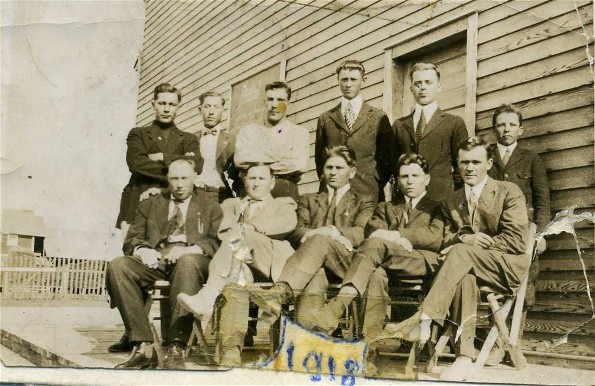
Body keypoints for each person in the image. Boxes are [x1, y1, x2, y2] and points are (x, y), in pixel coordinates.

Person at [378, 137, 529, 381]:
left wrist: (471, 244)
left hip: (506, 267)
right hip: (466, 269)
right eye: (464, 162)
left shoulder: (508, 191)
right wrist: (465, 240)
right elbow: (447, 239)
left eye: (476, 162)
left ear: (489, 163)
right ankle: (464, 358)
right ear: (457, 165)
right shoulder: (452, 200)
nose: (470, 168)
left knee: (460, 254)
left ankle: (422, 318)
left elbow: (516, 241)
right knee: (464, 276)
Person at [305, 153, 444, 374]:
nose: (409, 181)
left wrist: (396, 236)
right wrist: (389, 240)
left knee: (376, 244)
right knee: (375, 275)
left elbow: (434, 237)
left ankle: (339, 304)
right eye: (404, 176)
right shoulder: (387, 207)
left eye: (415, 175)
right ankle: (368, 351)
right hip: (384, 264)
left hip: (419, 263)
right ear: (398, 180)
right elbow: (371, 231)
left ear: (426, 179)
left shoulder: (437, 207)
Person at [106, 158, 222, 369]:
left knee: (187, 263)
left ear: (194, 177)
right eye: (174, 178)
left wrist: (189, 249)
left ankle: (176, 347)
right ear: (167, 179)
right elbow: (132, 239)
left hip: (192, 260)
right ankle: (144, 345)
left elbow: (216, 241)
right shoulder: (150, 203)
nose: (179, 184)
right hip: (156, 262)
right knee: (118, 266)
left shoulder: (210, 206)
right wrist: (143, 250)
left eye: (184, 178)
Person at [177, 163, 297, 366]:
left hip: (267, 260)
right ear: (244, 181)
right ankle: (230, 352)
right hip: (239, 261)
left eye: (261, 178)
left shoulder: (283, 203)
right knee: (235, 280)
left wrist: (250, 227)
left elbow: (287, 224)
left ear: (272, 182)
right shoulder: (232, 204)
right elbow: (222, 231)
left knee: (240, 233)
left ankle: (208, 295)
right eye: (252, 178)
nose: (256, 183)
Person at [250, 146, 375, 328]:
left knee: (318, 241)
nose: (333, 173)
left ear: (352, 171)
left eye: (339, 168)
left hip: (346, 262)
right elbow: (298, 230)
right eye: (329, 168)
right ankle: (308, 339)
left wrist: (329, 231)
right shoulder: (308, 199)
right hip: (311, 266)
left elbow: (361, 232)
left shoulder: (364, 200)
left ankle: (280, 294)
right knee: (315, 276)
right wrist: (315, 235)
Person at [116, 83, 203, 231]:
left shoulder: (189, 139)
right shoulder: (139, 134)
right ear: (153, 104)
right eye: (162, 103)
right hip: (140, 199)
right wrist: (179, 167)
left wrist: (163, 156)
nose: (167, 109)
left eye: (172, 104)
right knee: (136, 250)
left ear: (178, 107)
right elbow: (137, 164)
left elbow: (197, 165)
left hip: (173, 201)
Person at [315, 60, 395, 203]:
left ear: (363, 81)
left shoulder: (378, 117)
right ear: (338, 80)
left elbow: (387, 160)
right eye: (344, 79)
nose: (348, 84)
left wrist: (374, 180)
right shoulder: (326, 118)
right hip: (333, 194)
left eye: (353, 79)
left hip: (368, 193)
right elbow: (320, 160)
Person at [393, 62, 468, 201]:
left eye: (428, 82)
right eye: (418, 84)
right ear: (411, 89)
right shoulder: (399, 125)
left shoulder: (454, 123)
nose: (423, 88)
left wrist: (452, 197)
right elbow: (394, 166)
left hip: (440, 200)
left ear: (439, 87)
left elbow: (461, 167)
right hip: (405, 200)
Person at [234, 82, 309, 201]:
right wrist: (281, 158)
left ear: (288, 104)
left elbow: (300, 165)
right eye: (270, 99)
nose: (274, 105)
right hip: (253, 192)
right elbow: (239, 160)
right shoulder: (248, 131)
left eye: (280, 100)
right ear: (264, 102)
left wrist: (257, 161)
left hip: (284, 192)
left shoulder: (299, 133)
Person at [194, 90, 239, 203]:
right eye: (207, 106)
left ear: (222, 110)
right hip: (194, 196)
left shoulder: (232, 141)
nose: (211, 112)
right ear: (200, 110)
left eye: (216, 107)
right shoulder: (191, 140)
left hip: (220, 197)